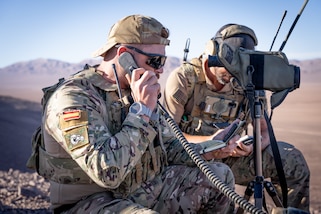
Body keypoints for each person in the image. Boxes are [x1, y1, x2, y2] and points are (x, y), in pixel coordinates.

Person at [32, 14, 241, 214]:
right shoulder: (74, 98)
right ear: (124, 56)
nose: (160, 71)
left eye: (163, 62)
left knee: (219, 177)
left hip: (139, 189)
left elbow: (168, 147)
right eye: (155, 61)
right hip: (92, 202)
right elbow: (107, 172)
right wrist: (142, 111)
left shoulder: (134, 90)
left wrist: (212, 147)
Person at [163, 23, 310, 212]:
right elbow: (168, 136)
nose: (235, 75)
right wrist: (210, 142)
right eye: (230, 68)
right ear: (213, 56)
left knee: (291, 160)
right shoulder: (184, 78)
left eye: (239, 68)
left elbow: (265, 132)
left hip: (234, 159)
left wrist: (252, 145)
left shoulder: (246, 78)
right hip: (194, 159)